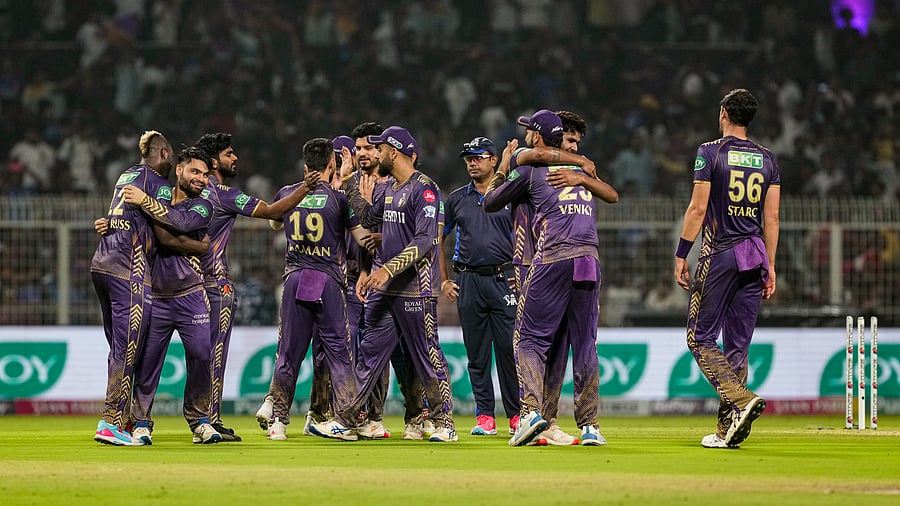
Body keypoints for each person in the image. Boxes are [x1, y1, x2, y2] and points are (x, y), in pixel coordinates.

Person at [312, 125, 457, 443]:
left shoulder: (425, 190)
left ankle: (444, 422)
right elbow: (366, 216)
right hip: (385, 290)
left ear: (394, 151)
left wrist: (386, 269)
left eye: (379, 149)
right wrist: (350, 183)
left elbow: (426, 241)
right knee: (368, 356)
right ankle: (347, 419)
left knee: (426, 355)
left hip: (414, 289)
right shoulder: (390, 188)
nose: (374, 154)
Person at [483, 110, 609, 447]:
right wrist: (582, 168)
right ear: (560, 139)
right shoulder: (579, 171)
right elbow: (611, 195)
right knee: (577, 345)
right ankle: (582, 425)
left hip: (545, 260)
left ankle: (533, 414)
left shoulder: (530, 166)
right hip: (585, 259)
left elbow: (490, 202)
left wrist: (503, 164)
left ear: (538, 136)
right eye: (569, 141)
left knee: (530, 340)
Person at [674, 88, 779, 449]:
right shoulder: (768, 159)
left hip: (720, 252)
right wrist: (772, 266)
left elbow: (697, 210)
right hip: (755, 254)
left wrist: (681, 253)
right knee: (738, 345)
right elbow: (773, 218)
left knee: (699, 337)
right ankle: (727, 430)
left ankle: (741, 399)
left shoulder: (710, 152)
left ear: (723, 113)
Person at [90, 131, 209, 446]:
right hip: (128, 272)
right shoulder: (157, 184)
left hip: (102, 263)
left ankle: (126, 420)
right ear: (167, 155)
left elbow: (126, 217)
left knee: (120, 348)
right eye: (194, 171)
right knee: (127, 352)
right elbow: (172, 225)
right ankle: (113, 424)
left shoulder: (127, 175)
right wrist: (198, 245)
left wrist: (107, 223)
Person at [195, 132, 315, 441]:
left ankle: (137, 419)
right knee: (214, 354)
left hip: (183, 284)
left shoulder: (187, 191)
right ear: (213, 161)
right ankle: (210, 419)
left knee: (185, 354)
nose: (235, 158)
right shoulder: (224, 194)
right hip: (215, 285)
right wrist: (306, 187)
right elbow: (274, 212)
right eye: (229, 154)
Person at [264, 138, 369, 440]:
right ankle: (346, 421)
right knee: (338, 352)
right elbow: (361, 238)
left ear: (305, 165)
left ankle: (279, 423)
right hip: (327, 281)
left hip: (296, 278)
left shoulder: (287, 194)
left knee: (288, 353)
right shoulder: (338, 199)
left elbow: (273, 223)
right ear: (332, 165)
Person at [439, 136, 519, 437]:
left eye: (478, 157)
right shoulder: (457, 199)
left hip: (504, 279)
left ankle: (515, 416)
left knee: (509, 353)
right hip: (468, 281)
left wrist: (520, 273)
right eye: (468, 157)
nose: (472, 162)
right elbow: (438, 240)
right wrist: (444, 279)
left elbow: (527, 234)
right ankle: (485, 415)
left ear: (494, 160)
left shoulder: (510, 195)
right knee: (477, 355)